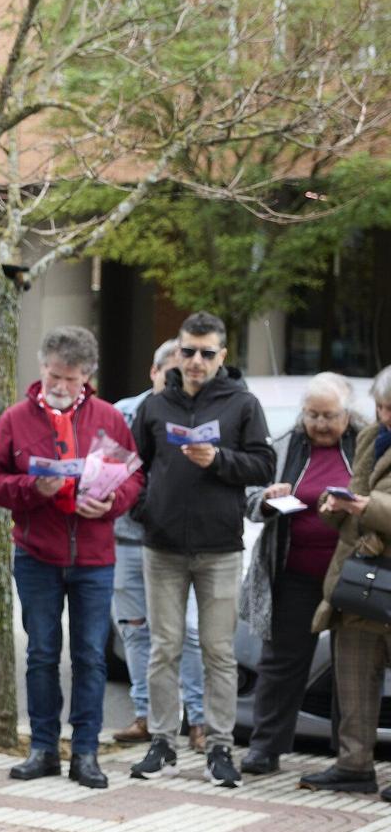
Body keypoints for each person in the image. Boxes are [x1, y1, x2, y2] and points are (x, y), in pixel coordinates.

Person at [0, 327, 145, 788]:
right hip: (37, 553)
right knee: (42, 653)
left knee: (90, 656)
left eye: (70, 378)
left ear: (87, 376)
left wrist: (112, 502)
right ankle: (43, 748)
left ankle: (85, 752)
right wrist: (32, 488)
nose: (60, 385)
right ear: (42, 366)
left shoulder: (109, 417)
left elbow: (133, 477)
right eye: (53, 374)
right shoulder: (15, 418)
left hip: (93, 555)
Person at [129, 311, 275, 787]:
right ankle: (162, 741)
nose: (195, 361)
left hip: (219, 547)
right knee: (163, 648)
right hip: (162, 545)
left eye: (206, 353)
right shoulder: (156, 405)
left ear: (222, 356)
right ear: (177, 351)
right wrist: (143, 510)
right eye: (188, 351)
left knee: (218, 652)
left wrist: (219, 460)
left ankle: (218, 747)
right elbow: (134, 469)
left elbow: (263, 464)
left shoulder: (242, 403)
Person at [240, 374, 361, 776]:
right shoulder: (284, 444)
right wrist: (267, 500)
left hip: (353, 574)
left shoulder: (365, 444)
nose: (320, 424)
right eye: (312, 414)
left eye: (329, 415)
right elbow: (251, 498)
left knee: (353, 664)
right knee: (281, 663)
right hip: (292, 570)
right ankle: (265, 748)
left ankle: (349, 758)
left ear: (347, 414)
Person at [111, 340, 208, 746]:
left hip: (177, 544)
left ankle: (199, 719)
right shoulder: (122, 413)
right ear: (153, 372)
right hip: (128, 541)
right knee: (134, 629)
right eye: (168, 372)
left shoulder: (200, 418)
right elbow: (109, 469)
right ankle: (145, 715)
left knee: (183, 631)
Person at [302, 365, 391, 799]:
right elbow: (356, 490)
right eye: (379, 407)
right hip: (360, 579)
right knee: (353, 678)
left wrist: (365, 507)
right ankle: (354, 766)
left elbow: (374, 503)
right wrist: (334, 506)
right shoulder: (372, 436)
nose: (385, 416)